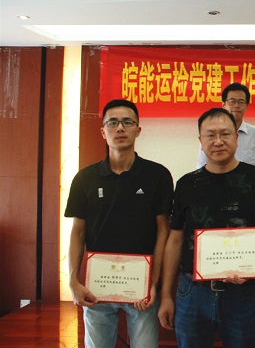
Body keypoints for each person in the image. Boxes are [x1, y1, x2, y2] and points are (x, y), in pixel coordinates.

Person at [158, 107, 255, 348]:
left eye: (225, 134)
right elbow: (175, 240)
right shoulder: (186, 184)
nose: (218, 141)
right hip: (192, 291)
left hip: (242, 293)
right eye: (210, 135)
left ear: (236, 138)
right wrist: (166, 296)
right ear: (200, 140)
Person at [65, 99, 174, 348]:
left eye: (127, 122)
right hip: (98, 285)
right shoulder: (85, 178)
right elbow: (77, 232)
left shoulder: (158, 175)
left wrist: (154, 283)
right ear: (103, 131)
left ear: (138, 130)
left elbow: (163, 232)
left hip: (141, 288)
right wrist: (73, 281)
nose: (120, 128)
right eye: (112, 123)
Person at [196, 82, 255, 171]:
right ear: (223, 104)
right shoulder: (211, 133)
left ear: (247, 106)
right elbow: (202, 166)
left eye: (241, 102)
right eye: (232, 101)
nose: (236, 105)